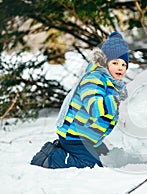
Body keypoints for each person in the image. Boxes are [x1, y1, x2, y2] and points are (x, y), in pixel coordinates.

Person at [31, 32, 129, 169]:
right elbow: (94, 108)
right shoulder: (94, 79)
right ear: (104, 63)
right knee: (91, 165)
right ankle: (50, 158)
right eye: (115, 63)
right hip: (75, 136)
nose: (120, 67)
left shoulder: (113, 85)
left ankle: (64, 150)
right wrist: (117, 101)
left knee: (107, 159)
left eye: (124, 65)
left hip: (90, 138)